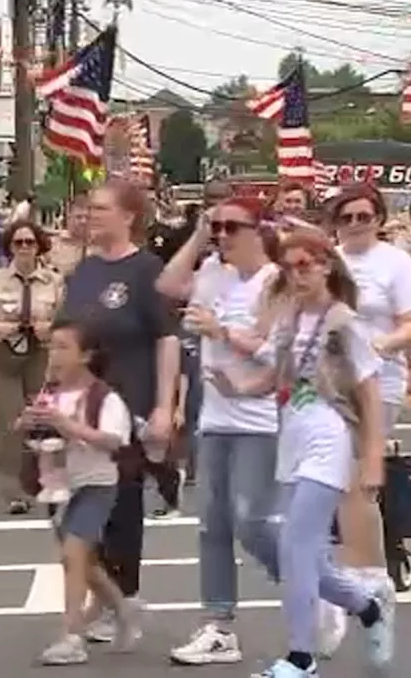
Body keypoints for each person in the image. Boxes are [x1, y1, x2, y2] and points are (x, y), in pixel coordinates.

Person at [209, 229, 396, 678]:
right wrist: (237, 387)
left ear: (327, 265)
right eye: (289, 267)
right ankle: (367, 605)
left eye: (305, 264)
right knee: (306, 552)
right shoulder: (290, 318)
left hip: (329, 435)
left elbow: (369, 391)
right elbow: (278, 376)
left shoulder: (343, 322)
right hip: (291, 434)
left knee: (295, 542)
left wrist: (372, 458)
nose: (297, 274)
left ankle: (300, 657)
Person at [157, 195, 282, 665]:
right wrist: (197, 235)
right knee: (212, 525)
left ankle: (314, 584)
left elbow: (280, 354)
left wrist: (221, 333)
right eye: (219, 227)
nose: (224, 235)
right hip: (215, 418)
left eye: (234, 227)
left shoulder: (275, 283)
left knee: (251, 523)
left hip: (260, 418)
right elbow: (168, 284)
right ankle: (219, 625)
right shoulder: (212, 270)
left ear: (258, 230)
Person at [56, 180, 178, 636]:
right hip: (84, 401)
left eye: (103, 208)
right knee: (85, 496)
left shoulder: (148, 270)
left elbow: (167, 339)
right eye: (89, 208)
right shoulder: (84, 270)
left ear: (129, 216)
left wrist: (167, 405)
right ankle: (105, 597)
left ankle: (122, 596)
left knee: (122, 502)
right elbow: (67, 337)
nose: (92, 215)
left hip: (131, 402)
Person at [324, 182, 411, 652]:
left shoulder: (395, 262)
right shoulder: (326, 261)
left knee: (356, 483)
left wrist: (378, 345)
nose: (357, 224)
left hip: (379, 380)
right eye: (347, 217)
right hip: (327, 383)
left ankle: (368, 582)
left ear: (379, 218)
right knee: (329, 484)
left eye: (365, 216)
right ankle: (352, 581)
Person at [17, 318, 142, 665]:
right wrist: (28, 422)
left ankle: (71, 636)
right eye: (50, 347)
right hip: (57, 485)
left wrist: (68, 426)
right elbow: (32, 432)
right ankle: (123, 607)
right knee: (79, 561)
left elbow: (114, 440)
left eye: (62, 347)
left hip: (95, 485)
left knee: (74, 555)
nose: (53, 355)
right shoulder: (50, 391)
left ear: (86, 355)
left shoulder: (104, 396)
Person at [0, 220, 64, 514]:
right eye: (18, 243)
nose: (24, 248)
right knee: (10, 421)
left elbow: (66, 322)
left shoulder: (53, 281)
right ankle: (12, 490)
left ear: (39, 246)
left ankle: (42, 478)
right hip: (3, 354)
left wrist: (47, 327)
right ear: (9, 247)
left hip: (40, 354)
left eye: (29, 242)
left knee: (42, 419)